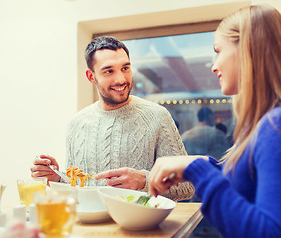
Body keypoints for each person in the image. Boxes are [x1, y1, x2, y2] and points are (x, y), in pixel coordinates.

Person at [148, 4, 281, 238]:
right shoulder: (275, 122)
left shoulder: (280, 125)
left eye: (218, 50)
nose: (214, 66)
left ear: (248, 49)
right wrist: (203, 163)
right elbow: (251, 183)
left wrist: (200, 170)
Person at [30, 36, 194, 201]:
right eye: (109, 71)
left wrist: (145, 181)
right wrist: (57, 178)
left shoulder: (158, 116)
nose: (121, 79)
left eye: (125, 68)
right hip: (88, 226)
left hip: (140, 226)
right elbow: (77, 189)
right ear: (91, 77)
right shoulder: (76, 124)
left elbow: (187, 187)